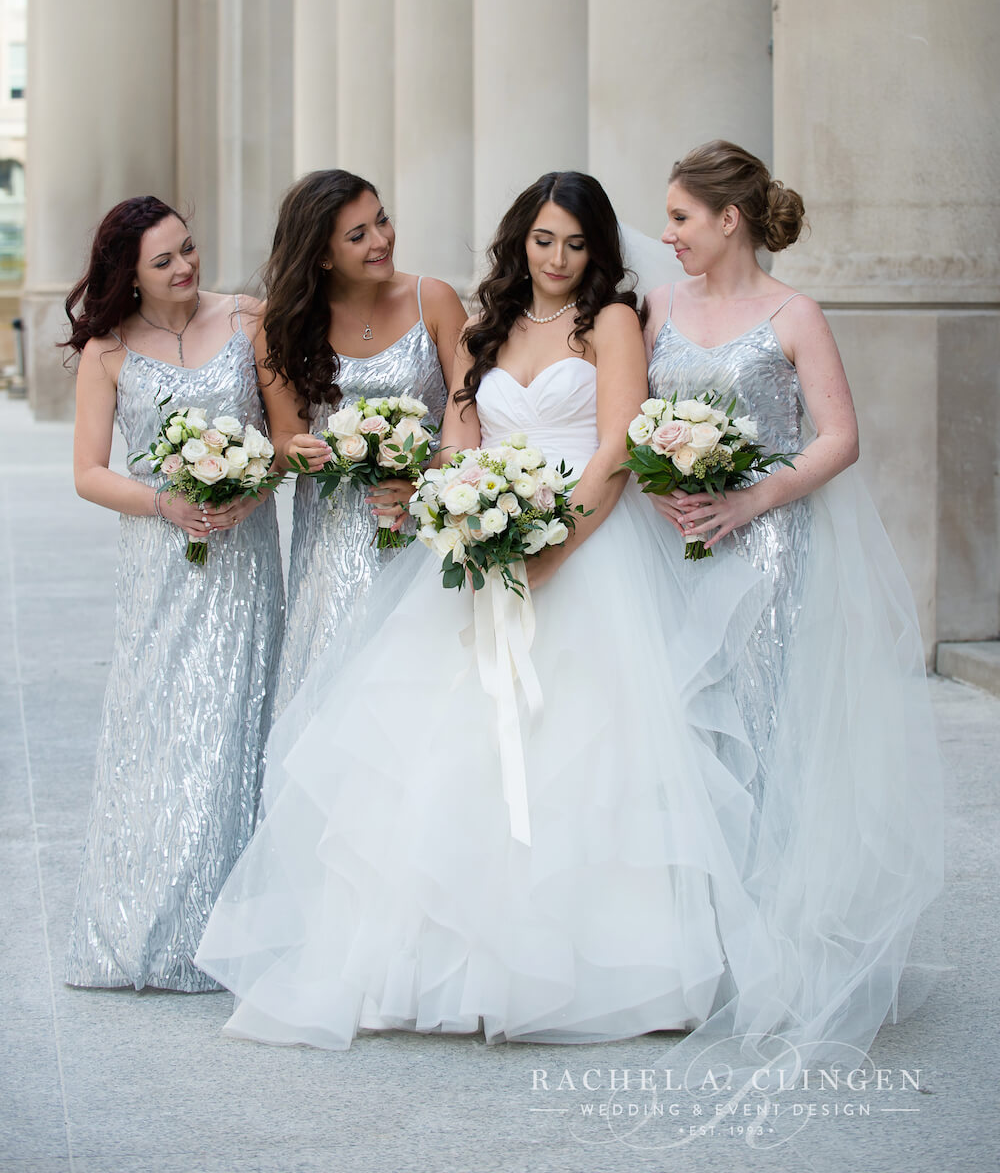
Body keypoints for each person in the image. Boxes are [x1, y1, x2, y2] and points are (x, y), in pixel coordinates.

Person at [195, 171, 765, 1048]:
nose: (559, 259)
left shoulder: (612, 322)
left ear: (598, 249)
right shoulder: (488, 320)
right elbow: (463, 430)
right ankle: (443, 965)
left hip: (587, 551)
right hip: (484, 543)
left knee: (587, 752)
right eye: (544, 240)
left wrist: (555, 544)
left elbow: (616, 444)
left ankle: (602, 972)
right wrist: (459, 506)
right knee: (442, 751)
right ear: (519, 241)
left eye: (576, 244)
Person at [644, 140, 943, 1082]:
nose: (668, 235)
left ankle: (773, 946)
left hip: (766, 550)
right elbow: (634, 418)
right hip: (673, 548)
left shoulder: (794, 314)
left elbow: (840, 438)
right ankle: (696, 948)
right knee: (686, 736)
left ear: (729, 219)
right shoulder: (656, 309)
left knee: (769, 734)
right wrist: (663, 493)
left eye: (682, 219)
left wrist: (747, 502)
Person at [63, 196, 284, 992]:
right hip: (162, 555)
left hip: (245, 554)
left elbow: (285, 439)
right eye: (165, 261)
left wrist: (248, 494)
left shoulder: (247, 320)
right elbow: (89, 472)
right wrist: (168, 504)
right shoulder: (108, 352)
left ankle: (232, 928)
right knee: (159, 724)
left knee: (237, 718)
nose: (186, 268)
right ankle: (146, 921)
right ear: (130, 275)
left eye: (188, 249)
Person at [259, 170, 465, 716]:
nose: (381, 240)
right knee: (337, 684)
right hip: (332, 536)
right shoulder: (287, 324)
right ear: (322, 255)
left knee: (422, 689)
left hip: (423, 525)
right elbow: (284, 435)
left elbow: (468, 418)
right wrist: (294, 451)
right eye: (358, 235)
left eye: (382, 220)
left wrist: (424, 481)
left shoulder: (435, 300)